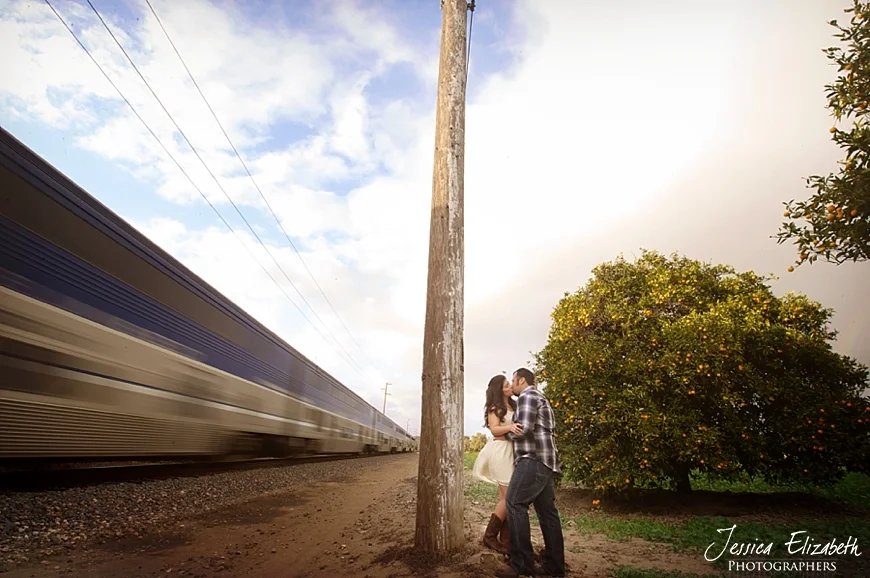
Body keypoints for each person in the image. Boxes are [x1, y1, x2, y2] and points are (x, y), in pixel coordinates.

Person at [496, 368, 566, 578]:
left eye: (514, 381)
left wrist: (503, 436)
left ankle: (521, 564)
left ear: (522, 380)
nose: (513, 386)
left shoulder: (527, 396)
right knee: (547, 514)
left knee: (515, 503)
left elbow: (523, 428)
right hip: (545, 462)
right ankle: (554, 567)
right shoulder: (540, 397)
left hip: (532, 458)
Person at [472, 374, 522, 554]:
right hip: (501, 451)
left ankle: (506, 542)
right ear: (500, 389)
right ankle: (489, 536)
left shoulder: (514, 405)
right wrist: (509, 427)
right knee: (509, 498)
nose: (510, 386)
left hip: (511, 451)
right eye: (507, 384)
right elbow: (494, 429)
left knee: (508, 498)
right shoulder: (495, 408)